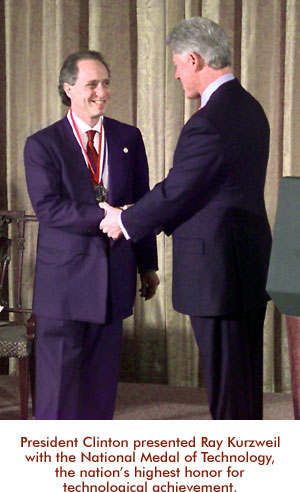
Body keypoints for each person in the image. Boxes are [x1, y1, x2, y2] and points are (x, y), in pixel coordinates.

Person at [100, 17, 272, 420]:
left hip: (218, 274)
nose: (177, 74)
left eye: (178, 65)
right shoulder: (249, 108)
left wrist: (125, 223)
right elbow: (202, 186)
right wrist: (135, 210)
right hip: (245, 266)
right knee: (243, 385)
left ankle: (235, 475)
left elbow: (179, 190)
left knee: (228, 392)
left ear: (194, 60)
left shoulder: (209, 121)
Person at [24, 50, 159, 420]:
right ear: (69, 89)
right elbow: (50, 208)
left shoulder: (128, 137)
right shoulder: (42, 144)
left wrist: (148, 264)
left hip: (113, 283)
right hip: (64, 288)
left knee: (100, 399)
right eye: (92, 84)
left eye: (106, 83)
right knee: (57, 399)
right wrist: (108, 215)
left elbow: (141, 203)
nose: (102, 92)